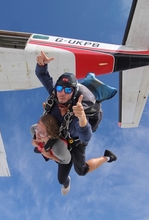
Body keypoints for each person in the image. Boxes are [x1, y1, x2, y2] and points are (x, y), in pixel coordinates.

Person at [35, 51, 117, 195]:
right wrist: (41, 65)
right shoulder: (55, 95)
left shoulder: (75, 115)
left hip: (76, 140)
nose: (62, 93)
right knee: (38, 141)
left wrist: (82, 118)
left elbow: (86, 137)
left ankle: (108, 157)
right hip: (59, 133)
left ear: (73, 94)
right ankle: (48, 149)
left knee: (80, 171)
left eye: (68, 90)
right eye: (59, 88)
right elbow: (43, 76)